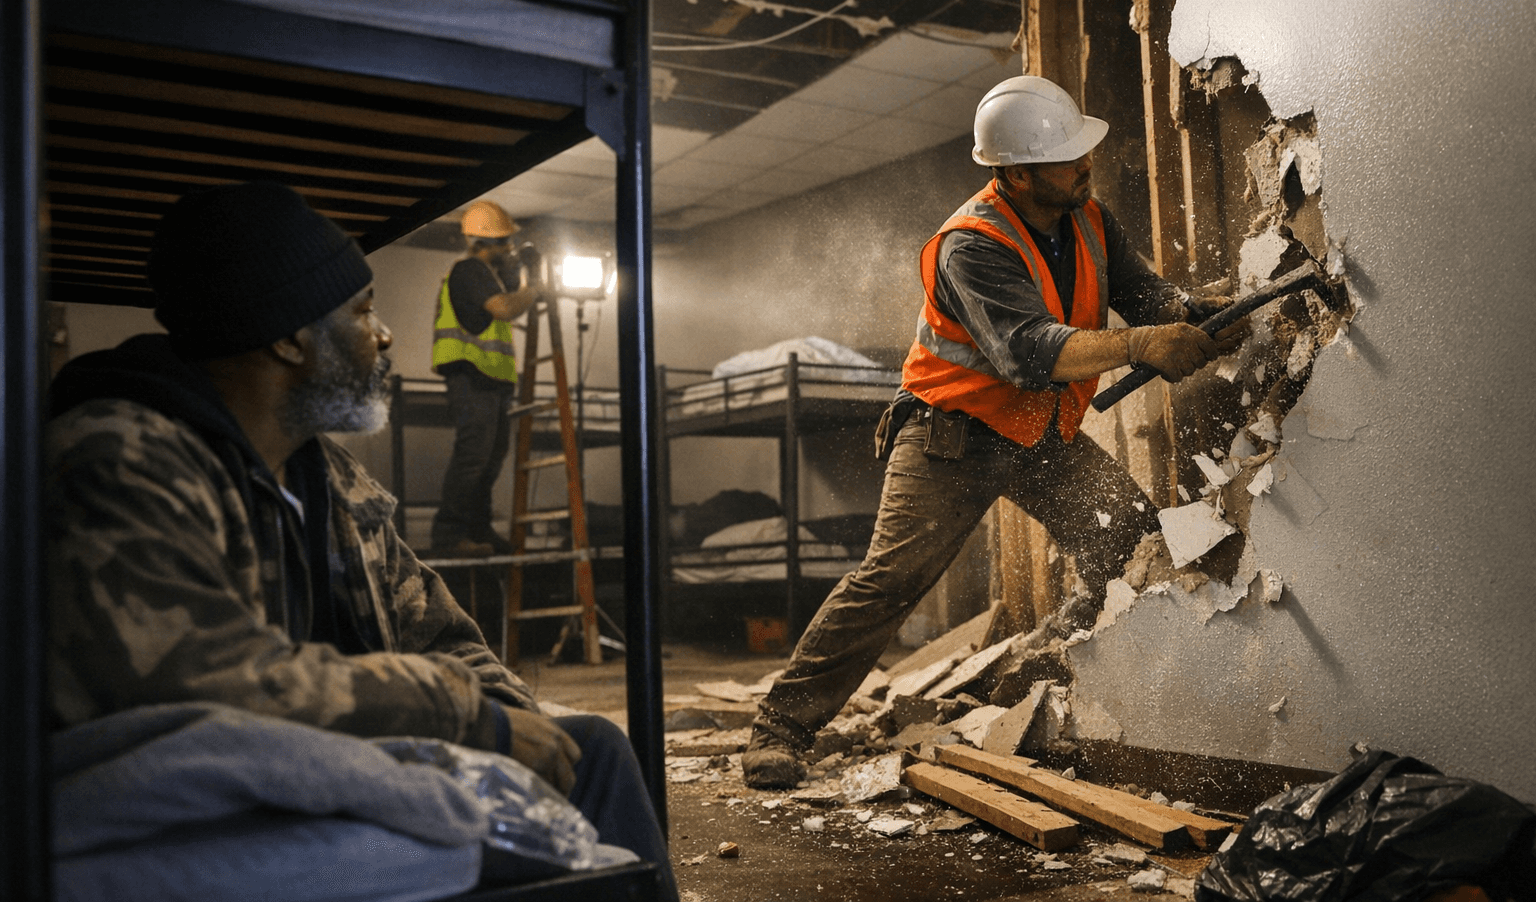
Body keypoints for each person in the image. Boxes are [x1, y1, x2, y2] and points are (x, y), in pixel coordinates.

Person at [44, 182, 675, 896]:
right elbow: (206, 681)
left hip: (340, 747)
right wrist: (462, 716)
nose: (384, 334)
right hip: (221, 787)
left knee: (591, 751)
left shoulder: (329, 476)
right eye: (363, 310)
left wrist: (516, 724)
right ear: (288, 337)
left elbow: (435, 629)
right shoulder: (122, 457)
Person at [742, 76, 1243, 789]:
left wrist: (1202, 316)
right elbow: (1030, 352)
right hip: (952, 438)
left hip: (1040, 434)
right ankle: (780, 729)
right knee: (890, 581)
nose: (1085, 165)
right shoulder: (969, 245)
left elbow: (1145, 297)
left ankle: (1052, 658)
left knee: (1129, 540)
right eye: (1067, 157)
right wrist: (1142, 346)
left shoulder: (1091, 219)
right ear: (1015, 171)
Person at [429, 200, 538, 557]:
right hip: (470, 373)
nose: (509, 248)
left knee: (491, 457)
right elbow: (505, 308)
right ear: (485, 243)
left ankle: (478, 530)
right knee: (474, 455)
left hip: (491, 378)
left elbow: (507, 300)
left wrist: (519, 276)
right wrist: (535, 286)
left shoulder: (488, 276)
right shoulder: (469, 270)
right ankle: (449, 535)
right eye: (505, 241)